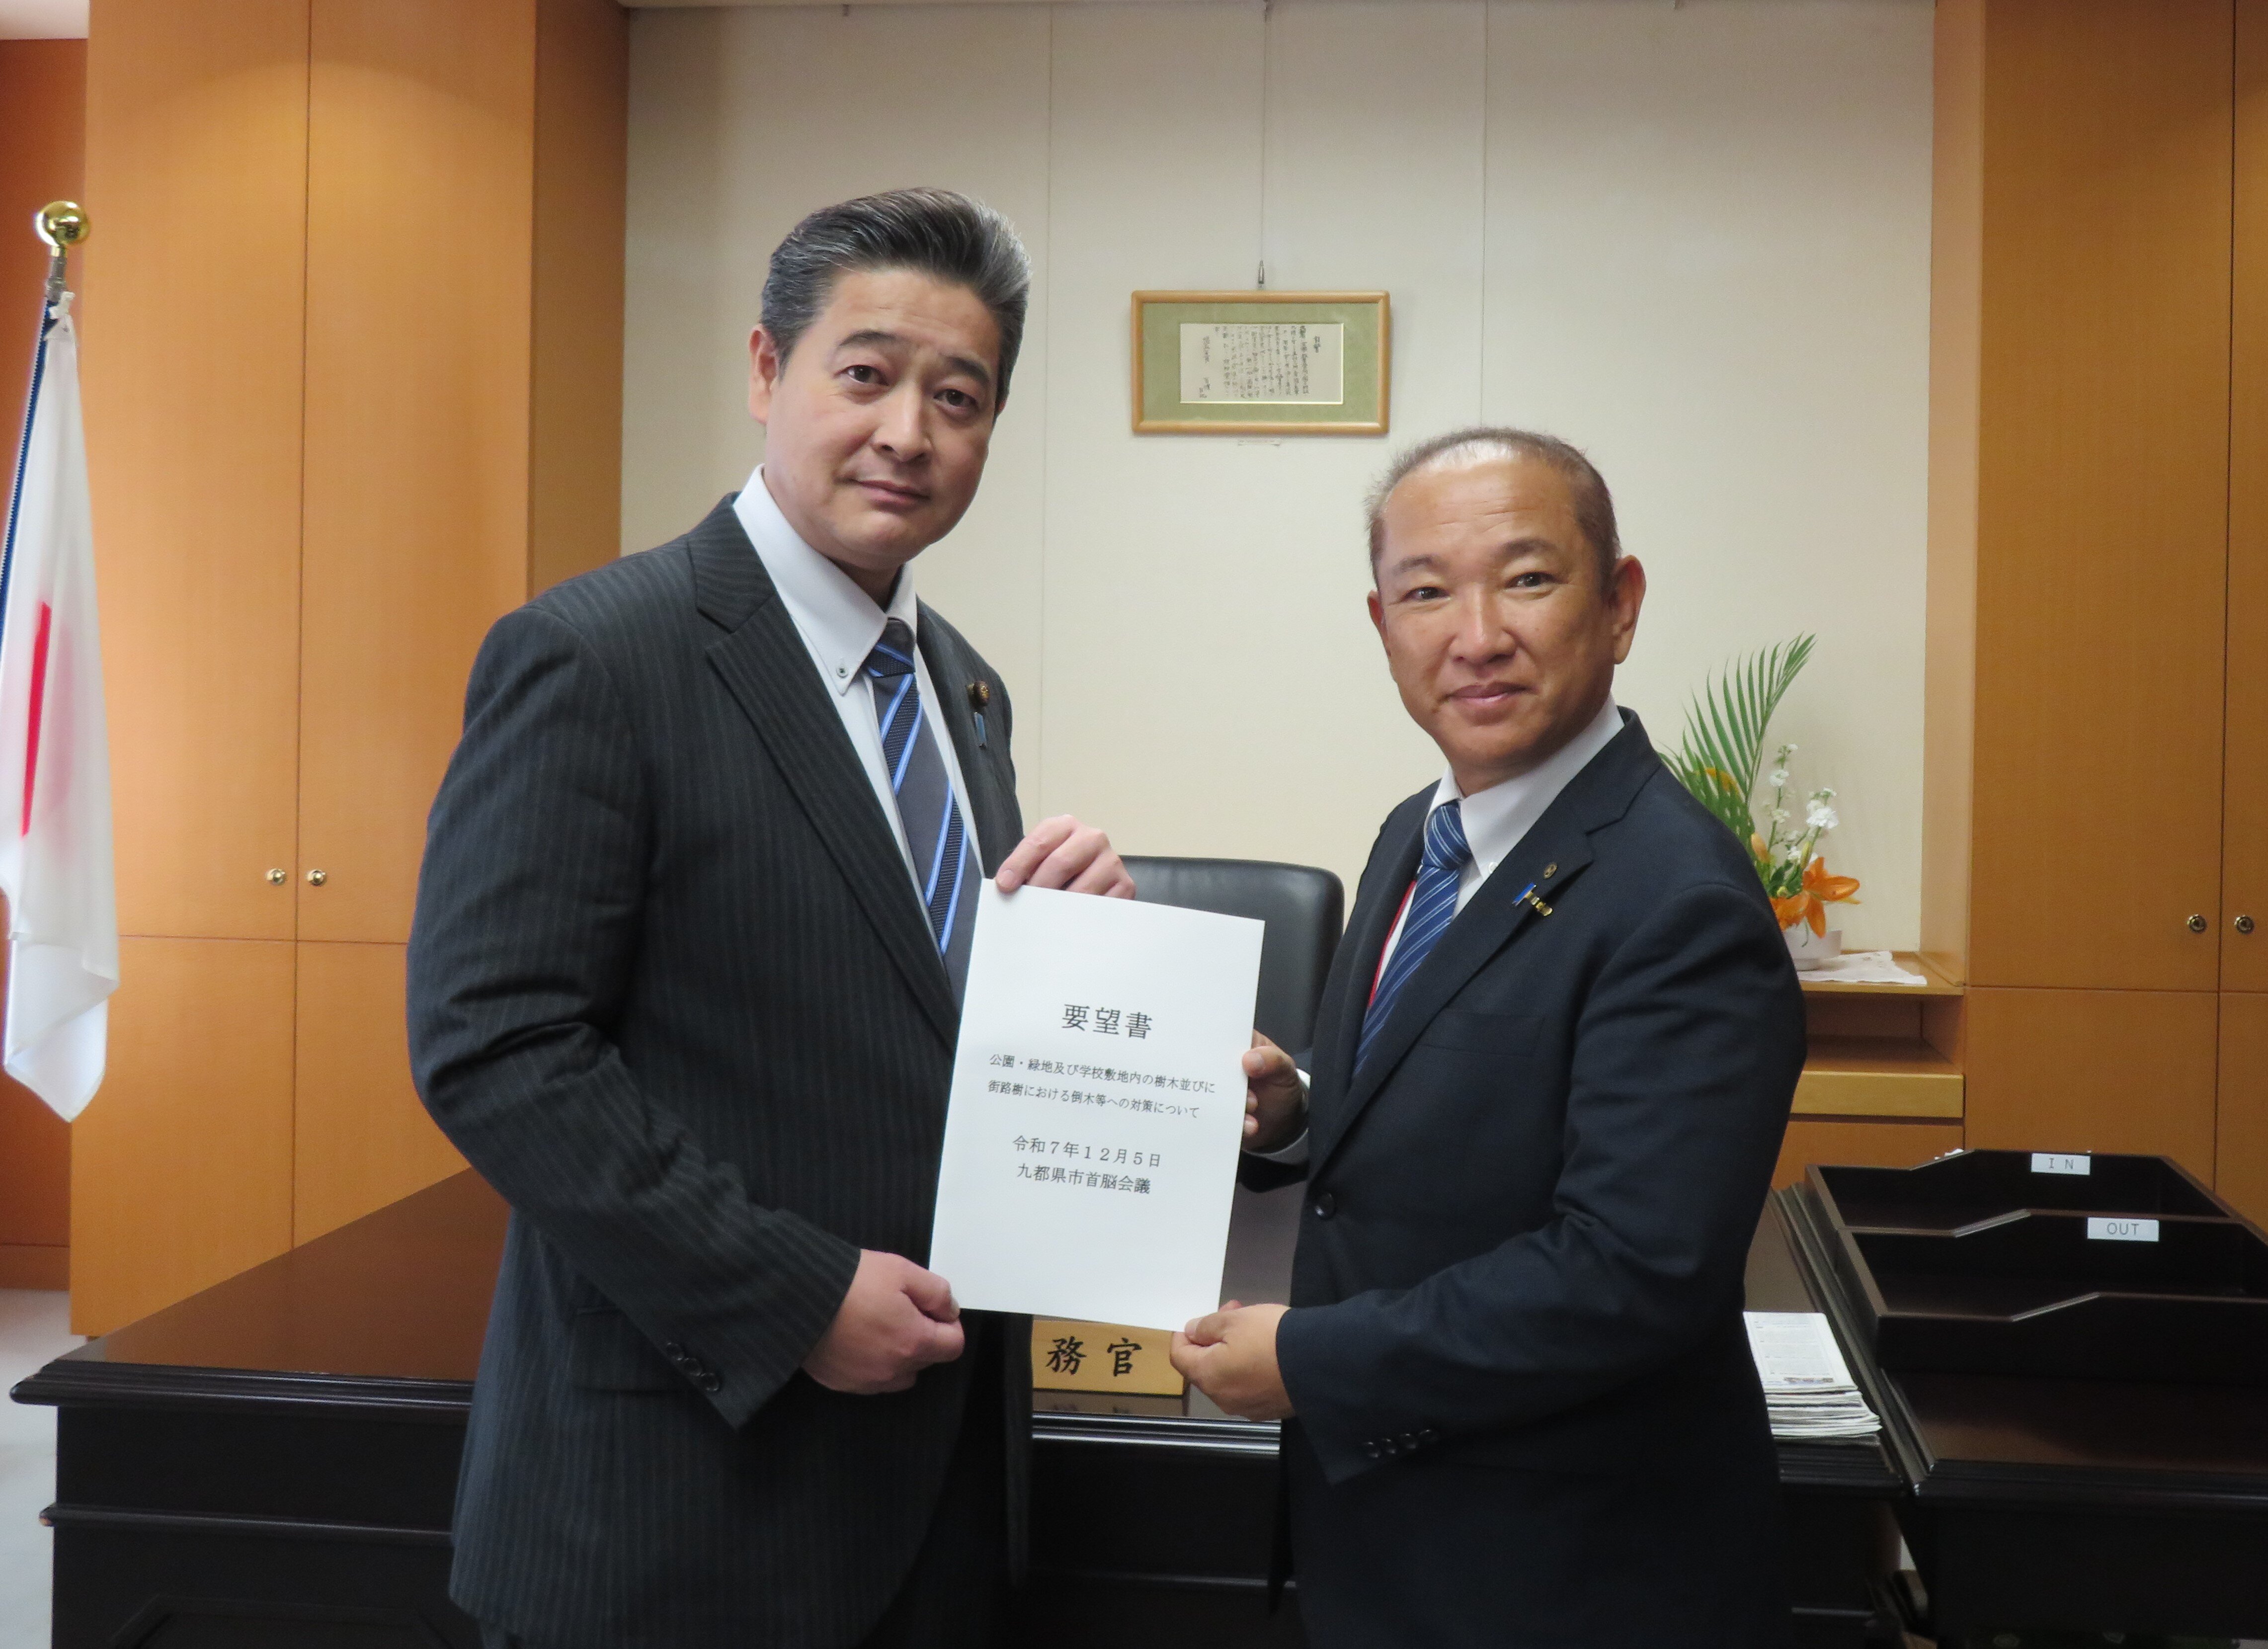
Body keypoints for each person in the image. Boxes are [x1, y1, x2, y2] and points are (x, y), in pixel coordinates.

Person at [406, 188, 1132, 1649]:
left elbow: (889, 1010)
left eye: (958, 397)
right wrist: (788, 1296)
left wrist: (1060, 961)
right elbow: (495, 1045)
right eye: (864, 374)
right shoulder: (597, 654)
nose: (907, 432)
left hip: (937, 1482)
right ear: (764, 369)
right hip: (682, 1495)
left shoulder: (958, 684)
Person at [1172, 428, 1805, 1647]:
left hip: (1568, 1572)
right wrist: (1301, 1103)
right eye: (1424, 593)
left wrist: (1310, 1362)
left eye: (1525, 579)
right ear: (1380, 625)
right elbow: (1467, 1080)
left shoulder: (1678, 898)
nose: (1474, 635)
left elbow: (1629, 1274)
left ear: (1618, 604)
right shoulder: (1420, 831)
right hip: (1398, 1535)